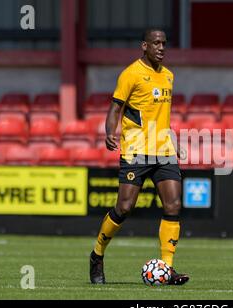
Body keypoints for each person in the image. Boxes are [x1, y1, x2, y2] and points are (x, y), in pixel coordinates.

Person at [89, 29, 189, 285]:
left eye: (164, 43)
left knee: (173, 205)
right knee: (124, 207)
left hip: (164, 151)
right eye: (156, 43)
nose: (161, 48)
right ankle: (97, 255)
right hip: (136, 150)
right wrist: (110, 132)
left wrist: (173, 140)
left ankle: (166, 268)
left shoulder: (168, 76)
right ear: (144, 46)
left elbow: (161, 116)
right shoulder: (131, 73)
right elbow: (115, 108)